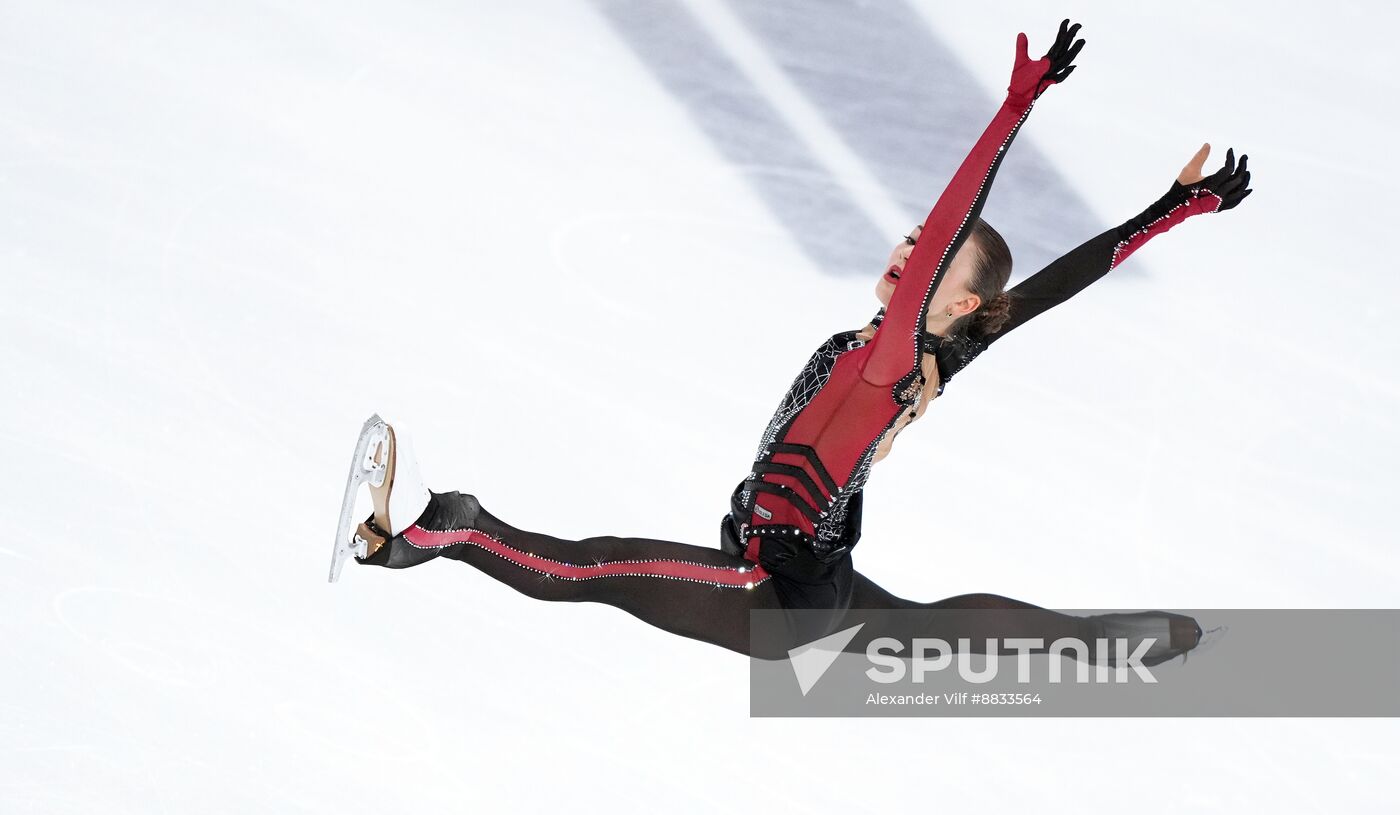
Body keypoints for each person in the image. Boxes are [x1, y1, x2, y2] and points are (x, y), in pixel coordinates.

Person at [330, 20, 1249, 664]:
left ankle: (440, 530)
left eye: (931, 265)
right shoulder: (931, 350)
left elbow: (950, 225)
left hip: (773, 589)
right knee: (936, 628)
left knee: (599, 565)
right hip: (813, 569)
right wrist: (1173, 208)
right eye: (910, 248)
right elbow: (1060, 280)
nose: (906, 254)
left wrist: (1014, 110)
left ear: (960, 303)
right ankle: (1113, 643)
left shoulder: (897, 358)